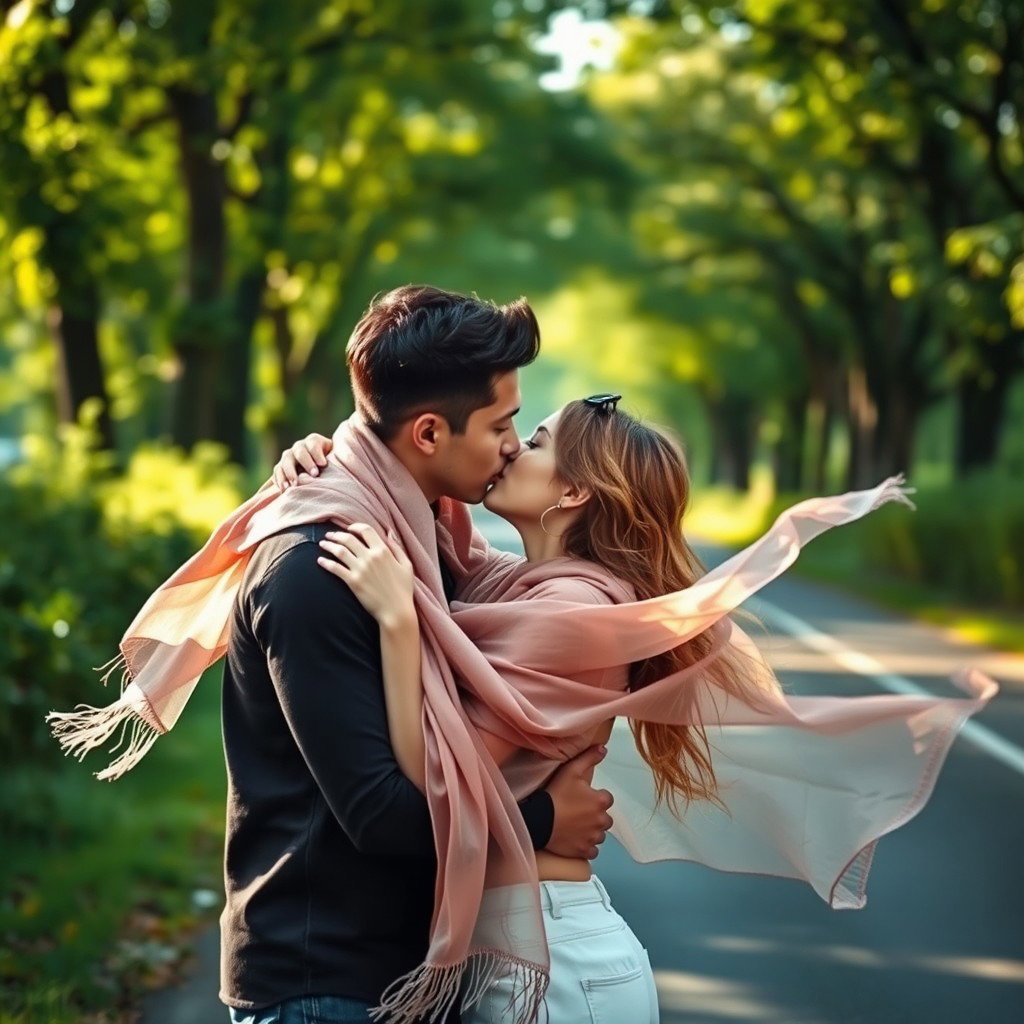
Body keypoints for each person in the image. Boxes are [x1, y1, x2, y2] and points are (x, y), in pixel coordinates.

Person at [273, 396, 998, 1024]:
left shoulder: (574, 611)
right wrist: (336, 457)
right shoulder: (522, 587)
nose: (508, 449)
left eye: (534, 443)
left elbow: (433, 779)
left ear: (574, 493)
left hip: (557, 967)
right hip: (533, 953)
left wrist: (401, 625)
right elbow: (434, 541)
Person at [47, 285, 619, 1024]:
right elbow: (380, 813)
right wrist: (543, 820)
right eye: (502, 424)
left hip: (394, 972)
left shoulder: (421, 544)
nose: (512, 444)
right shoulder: (317, 569)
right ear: (427, 436)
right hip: (323, 980)